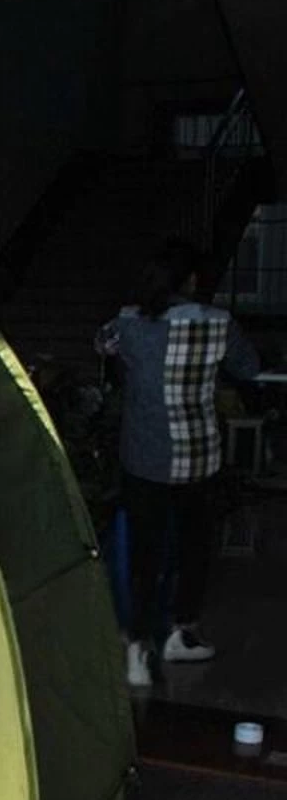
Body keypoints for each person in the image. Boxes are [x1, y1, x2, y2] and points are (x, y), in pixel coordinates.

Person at [95, 237, 259, 688]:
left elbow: (101, 345)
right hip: (198, 458)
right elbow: (248, 367)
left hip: (143, 458)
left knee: (144, 555)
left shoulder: (128, 323)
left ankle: (136, 650)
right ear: (190, 280)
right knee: (193, 549)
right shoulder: (219, 323)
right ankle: (179, 634)